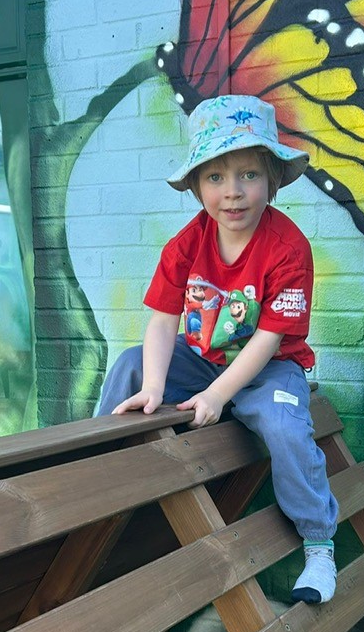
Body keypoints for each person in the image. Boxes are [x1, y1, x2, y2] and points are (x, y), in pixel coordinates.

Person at [96, 94, 338, 603]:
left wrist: (218, 396)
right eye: (215, 177)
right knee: (130, 366)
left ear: (273, 179)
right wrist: (155, 386)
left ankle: (319, 544)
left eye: (249, 174)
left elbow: (268, 338)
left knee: (283, 425)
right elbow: (163, 320)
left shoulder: (288, 248)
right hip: (201, 358)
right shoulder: (186, 244)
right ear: (196, 186)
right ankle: (94, 472)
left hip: (270, 368)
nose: (233, 192)